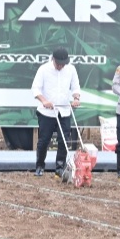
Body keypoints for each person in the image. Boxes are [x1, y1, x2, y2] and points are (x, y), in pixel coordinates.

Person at [31, 47, 81, 177]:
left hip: (64, 110)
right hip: (47, 112)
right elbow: (35, 89)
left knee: (64, 140)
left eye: (63, 64)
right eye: (58, 64)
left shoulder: (71, 69)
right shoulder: (43, 69)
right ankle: (40, 166)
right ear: (53, 59)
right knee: (44, 141)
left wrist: (76, 98)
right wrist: (44, 101)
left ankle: (60, 167)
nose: (61, 66)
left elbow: (76, 87)